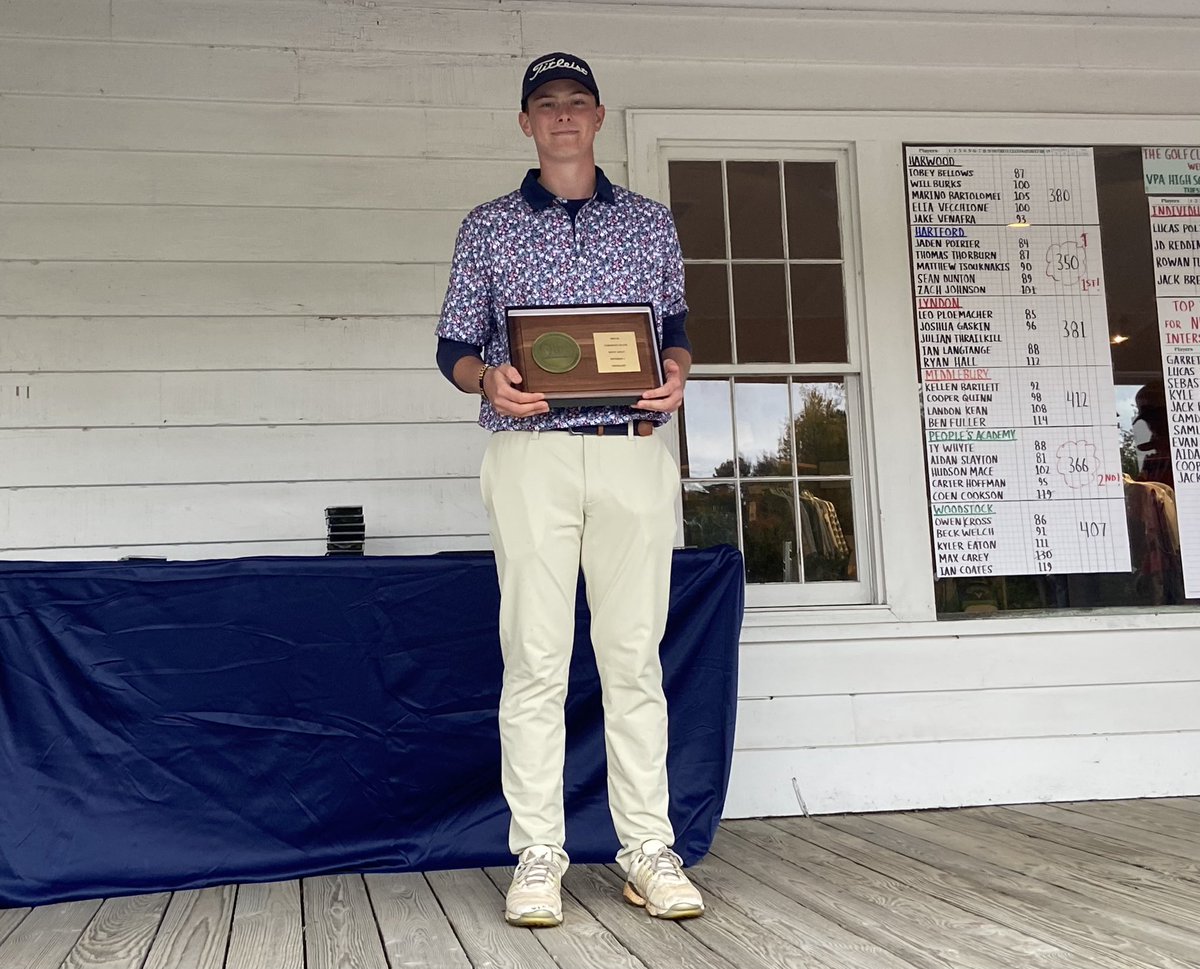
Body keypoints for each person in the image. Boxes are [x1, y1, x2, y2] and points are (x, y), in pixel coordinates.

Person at [434, 51, 704, 927]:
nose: (561, 117)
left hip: (631, 449)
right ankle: (538, 853)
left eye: (576, 103)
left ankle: (646, 848)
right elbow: (453, 347)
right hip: (530, 454)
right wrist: (487, 382)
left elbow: (674, 331)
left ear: (598, 117)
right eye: (545, 104)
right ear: (525, 122)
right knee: (537, 660)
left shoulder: (651, 224)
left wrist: (675, 372)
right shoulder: (487, 226)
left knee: (632, 659)